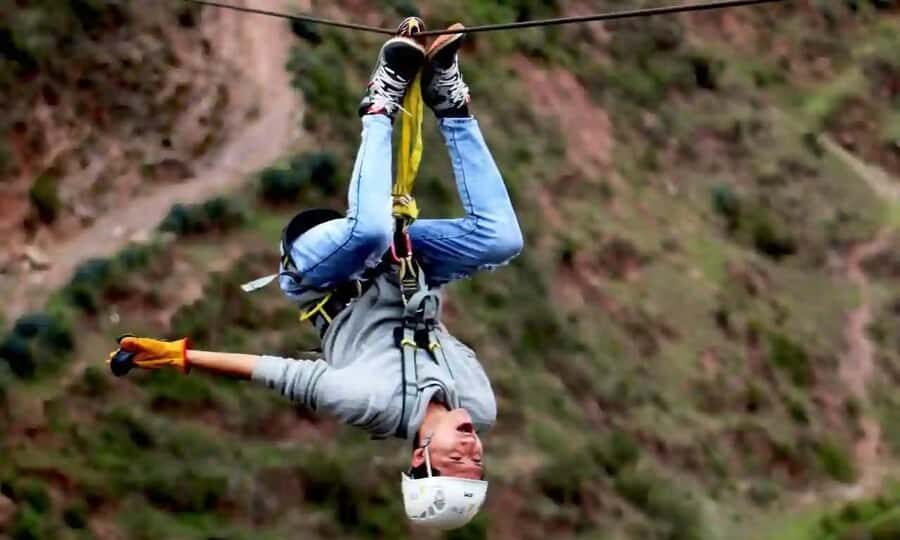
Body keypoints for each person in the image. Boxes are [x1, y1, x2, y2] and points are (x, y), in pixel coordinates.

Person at [109, 18, 522, 530]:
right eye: (476, 460)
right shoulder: (480, 403)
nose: (470, 447)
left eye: (456, 459)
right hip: (401, 265)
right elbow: (432, 326)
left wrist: (181, 356)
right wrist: (412, 274)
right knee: (502, 240)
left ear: (420, 458)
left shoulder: (367, 402)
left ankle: (380, 101)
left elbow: (278, 372)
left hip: (323, 273)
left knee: (369, 230)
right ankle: (448, 97)